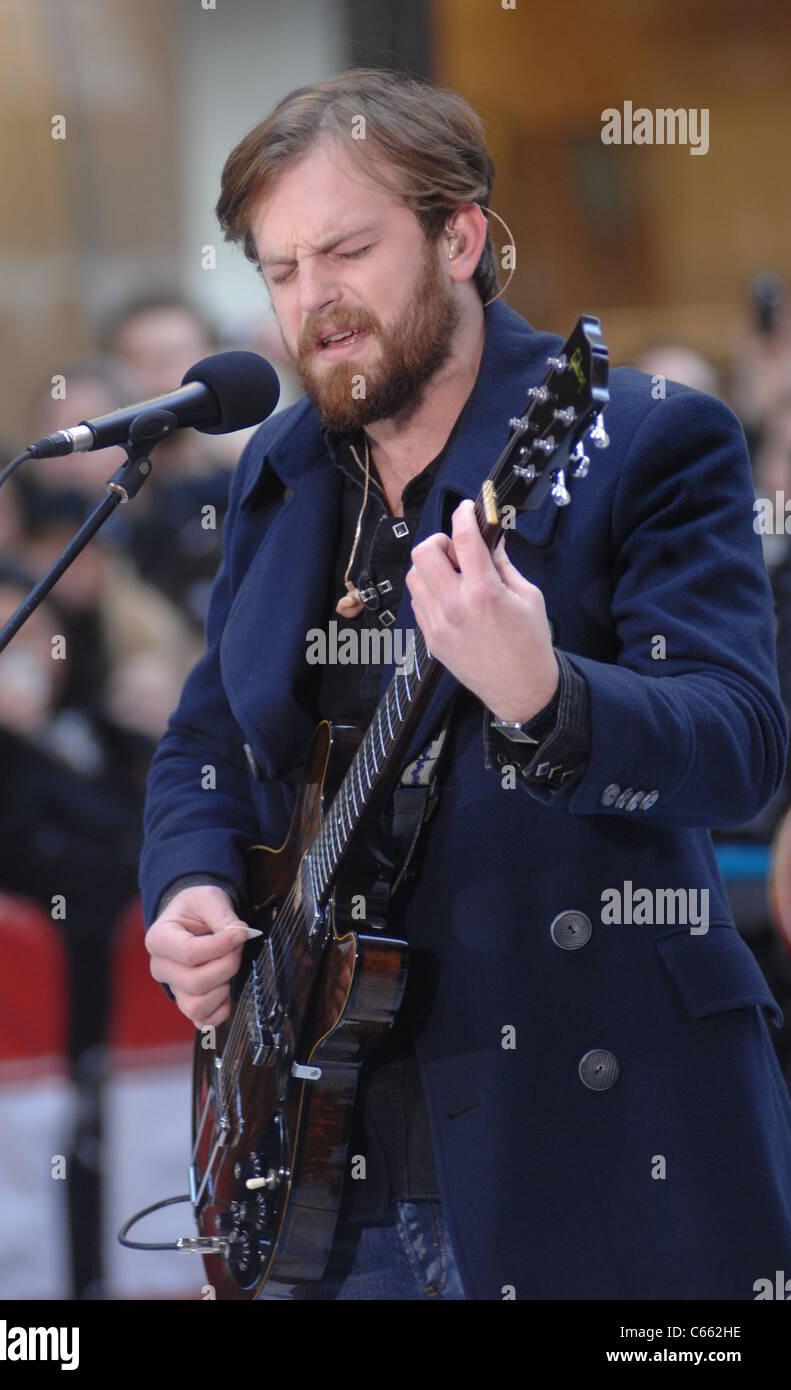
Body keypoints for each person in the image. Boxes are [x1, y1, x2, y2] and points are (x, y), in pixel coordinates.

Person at [139, 69, 791, 1300]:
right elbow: (206, 742)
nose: (312, 301)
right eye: (279, 270)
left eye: (344, 249)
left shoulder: (641, 438)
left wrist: (549, 695)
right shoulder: (282, 471)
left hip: (593, 1132)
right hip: (329, 1163)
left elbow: (740, 742)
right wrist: (187, 884)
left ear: (459, 236)